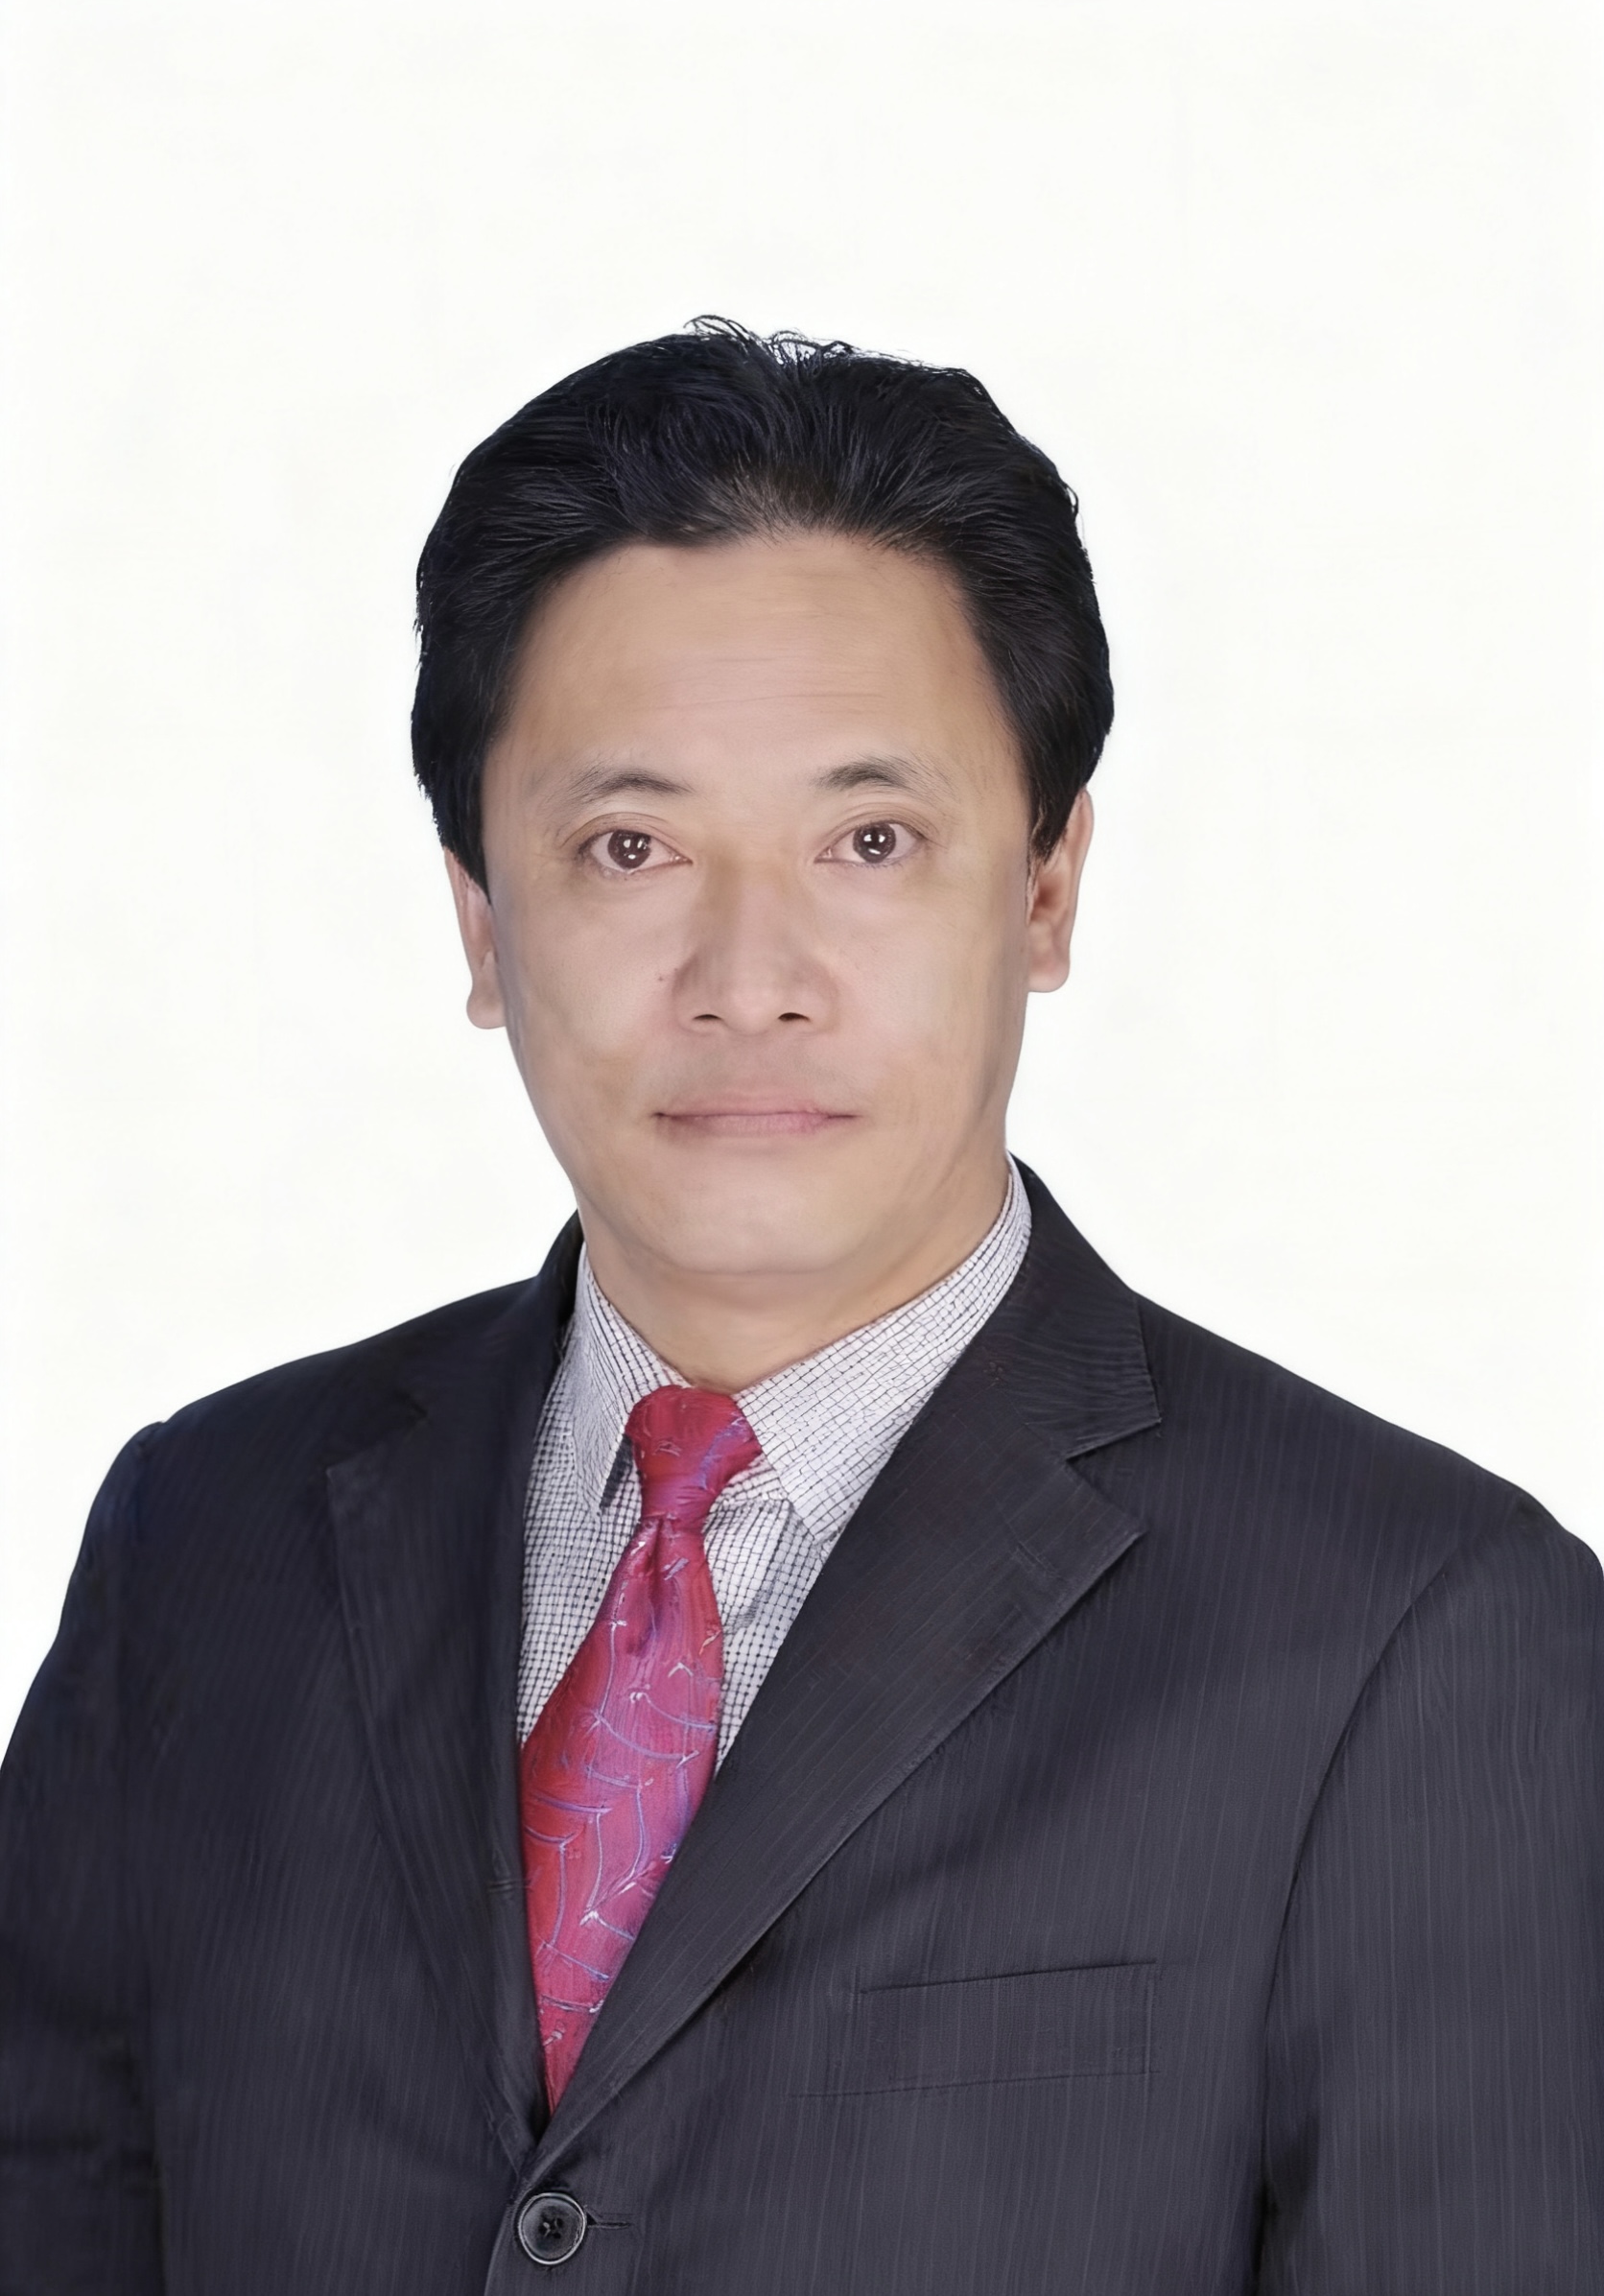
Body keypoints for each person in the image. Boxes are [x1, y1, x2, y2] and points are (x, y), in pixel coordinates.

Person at [1, 320, 1597, 2296]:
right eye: (629, 846)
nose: (747, 976)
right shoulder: (203, 1538)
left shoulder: (1423, 1637)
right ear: (482, 920)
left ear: (1043, 889)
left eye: (869, 843)